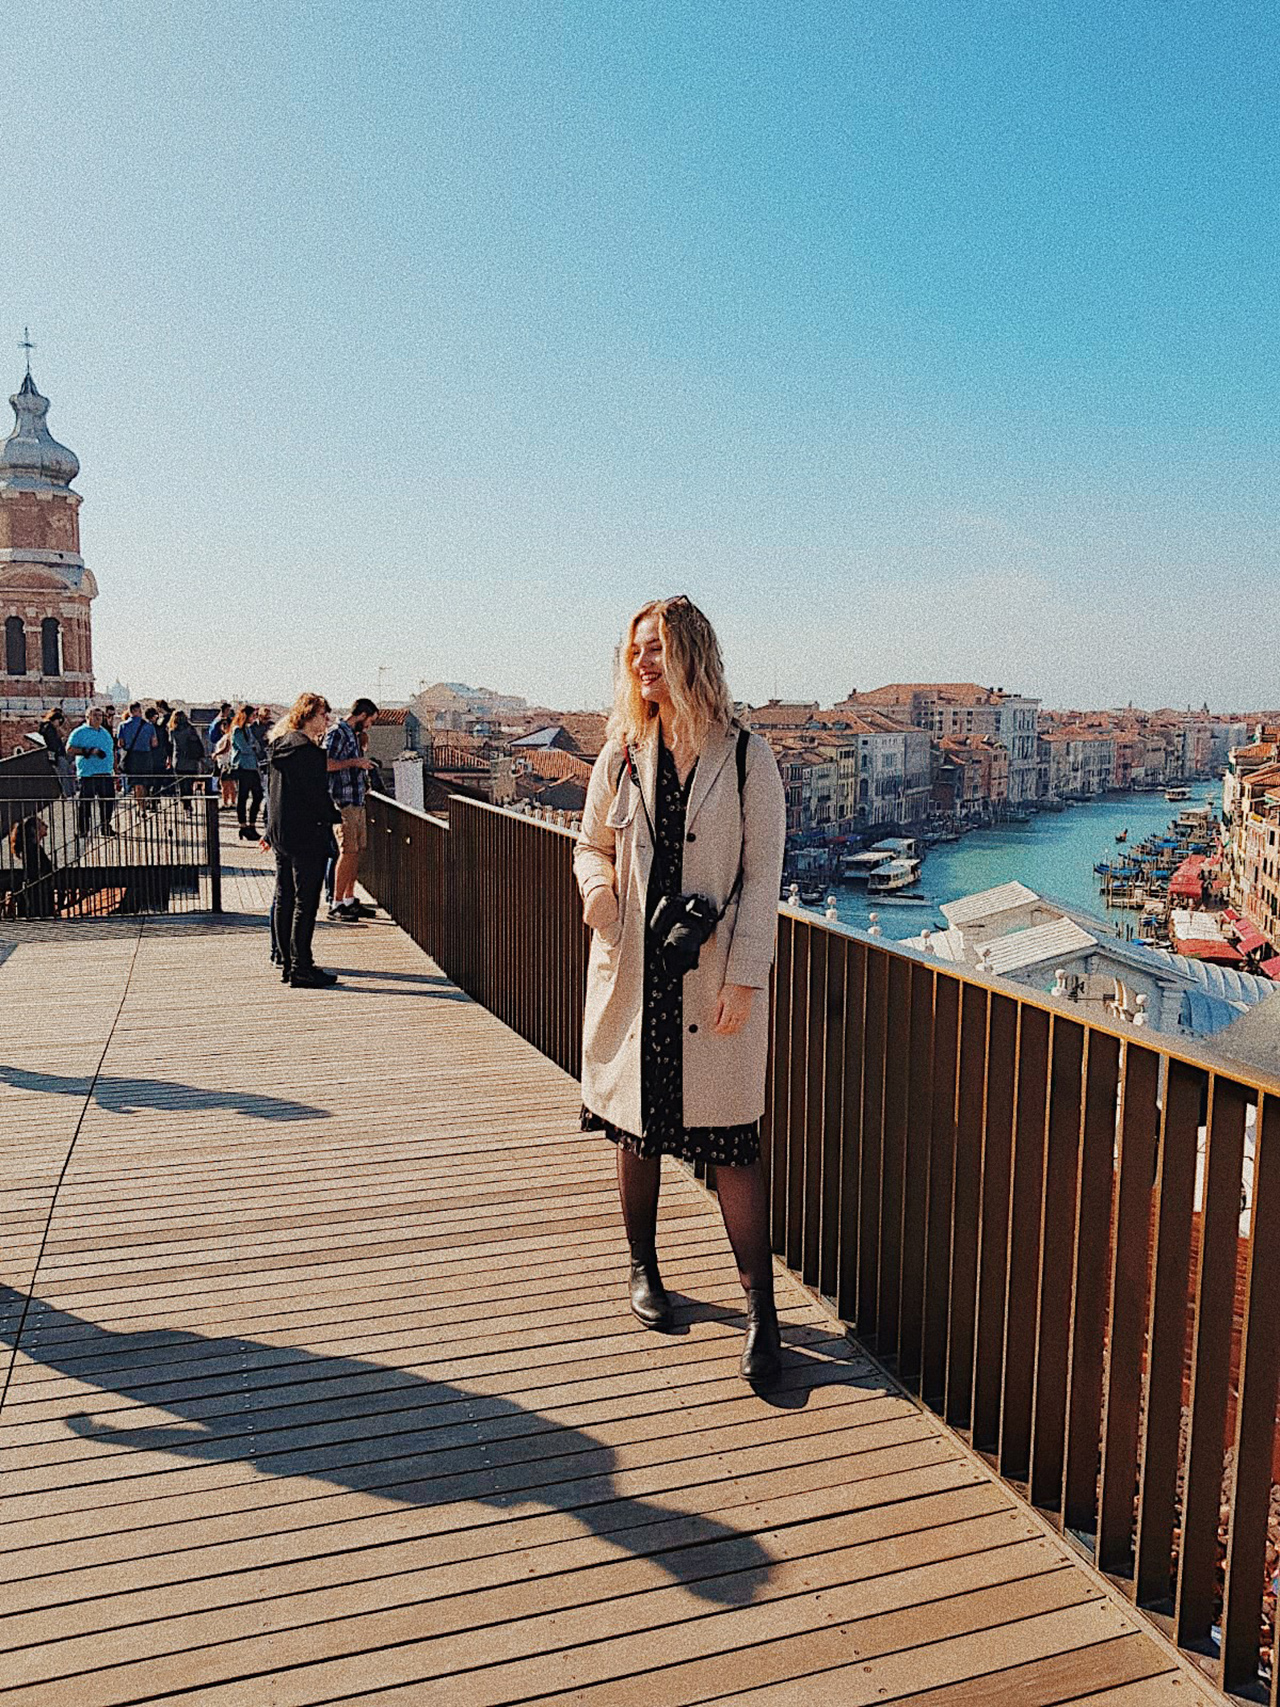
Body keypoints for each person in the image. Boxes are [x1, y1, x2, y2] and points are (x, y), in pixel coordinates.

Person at [574, 596, 788, 1385]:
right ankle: (644, 1269)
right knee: (636, 1129)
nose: (642, 662)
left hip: (711, 982)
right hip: (635, 974)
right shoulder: (623, 752)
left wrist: (744, 977)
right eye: (635, 650)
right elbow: (590, 843)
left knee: (732, 1146)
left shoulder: (746, 758)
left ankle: (761, 1313)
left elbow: (764, 877)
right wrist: (598, 896)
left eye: (657, 648)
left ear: (691, 652)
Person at [266, 693, 342, 988]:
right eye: (324, 715)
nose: (327, 720)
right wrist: (334, 816)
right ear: (310, 716)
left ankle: (286, 961)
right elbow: (315, 795)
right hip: (306, 833)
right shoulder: (308, 753)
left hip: (282, 832)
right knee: (305, 903)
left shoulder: (279, 746)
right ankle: (301, 967)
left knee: (285, 897)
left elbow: (274, 793)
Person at [324, 697, 378, 922]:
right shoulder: (337, 732)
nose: (369, 726)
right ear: (362, 715)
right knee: (347, 852)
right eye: (370, 722)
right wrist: (355, 763)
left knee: (356, 851)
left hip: (355, 801)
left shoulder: (353, 735)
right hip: (342, 803)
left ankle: (348, 899)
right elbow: (325, 764)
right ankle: (336, 903)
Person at [66, 706, 117, 837]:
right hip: (88, 774)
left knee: (108, 802)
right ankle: (83, 829)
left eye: (100, 716)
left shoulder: (105, 732)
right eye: (95, 715)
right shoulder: (79, 732)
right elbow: (69, 749)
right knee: (85, 803)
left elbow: (112, 751)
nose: (98, 718)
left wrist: (115, 770)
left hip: (106, 772)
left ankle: (105, 826)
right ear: (88, 717)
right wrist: (88, 751)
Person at [9, 815, 57, 918]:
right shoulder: (33, 849)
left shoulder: (30, 847)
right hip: (38, 892)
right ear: (34, 830)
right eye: (42, 824)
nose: (46, 826)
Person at [229, 705, 264, 841]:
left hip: (252, 767)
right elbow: (244, 748)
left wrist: (254, 747)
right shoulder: (237, 730)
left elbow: (256, 745)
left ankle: (252, 824)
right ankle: (243, 826)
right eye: (252, 715)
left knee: (258, 795)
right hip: (242, 767)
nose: (254, 718)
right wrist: (253, 747)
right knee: (243, 797)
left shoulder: (248, 730)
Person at [117, 701, 157, 804]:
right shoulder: (149, 725)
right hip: (145, 756)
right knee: (145, 782)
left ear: (130, 711)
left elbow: (120, 743)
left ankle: (141, 805)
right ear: (140, 710)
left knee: (136, 783)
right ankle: (144, 802)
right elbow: (154, 743)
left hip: (132, 757)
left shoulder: (122, 726)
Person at [169, 709, 206, 811]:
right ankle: (188, 803)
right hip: (191, 760)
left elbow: (171, 744)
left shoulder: (173, 731)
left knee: (181, 785)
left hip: (179, 760)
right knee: (189, 784)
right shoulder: (191, 729)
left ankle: (185, 804)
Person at [36, 709, 75, 796]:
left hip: (56, 754)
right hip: (57, 754)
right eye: (59, 721)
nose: (59, 724)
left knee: (65, 773)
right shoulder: (49, 728)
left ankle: (68, 792)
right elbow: (53, 743)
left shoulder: (47, 728)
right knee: (64, 774)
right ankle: (68, 793)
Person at [146, 705, 173, 797]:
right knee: (157, 781)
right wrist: (169, 757)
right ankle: (154, 800)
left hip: (147, 757)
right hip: (159, 757)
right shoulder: (161, 729)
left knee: (148, 781)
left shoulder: (144, 729)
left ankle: (150, 800)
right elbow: (167, 744)